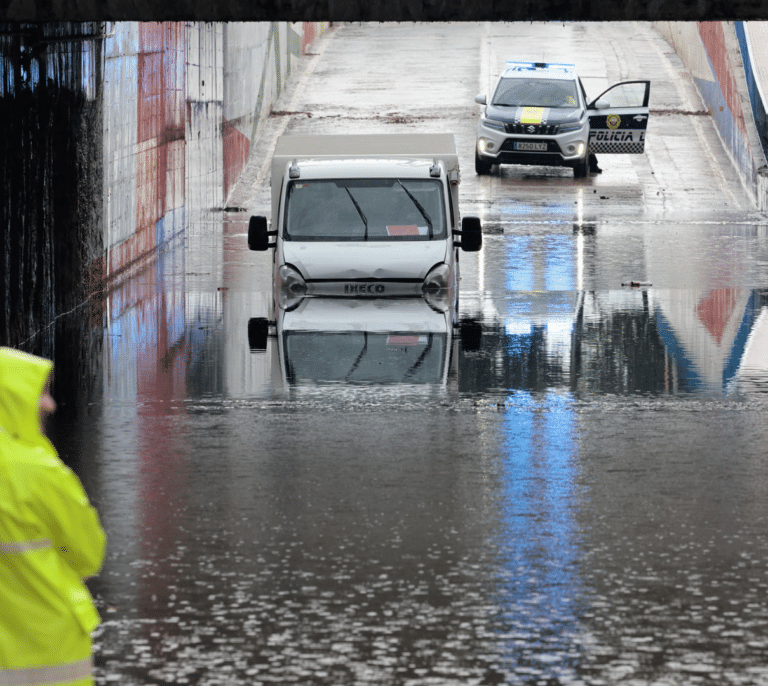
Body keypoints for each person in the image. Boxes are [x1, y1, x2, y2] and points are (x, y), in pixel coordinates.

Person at [0, 347, 106, 686]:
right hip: (48, 644)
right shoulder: (38, 471)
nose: (50, 404)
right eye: (39, 391)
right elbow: (88, 554)